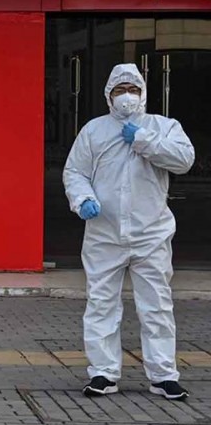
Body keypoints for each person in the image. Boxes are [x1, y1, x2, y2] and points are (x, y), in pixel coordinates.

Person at [63, 63, 195, 401]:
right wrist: (83, 199)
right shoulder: (94, 131)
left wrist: (143, 140)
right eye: (119, 90)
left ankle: (163, 375)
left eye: (133, 89)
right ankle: (103, 373)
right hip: (104, 233)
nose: (126, 96)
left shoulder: (162, 127)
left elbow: (184, 160)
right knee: (101, 303)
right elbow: (75, 172)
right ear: (108, 95)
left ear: (143, 93)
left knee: (157, 305)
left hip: (151, 233)